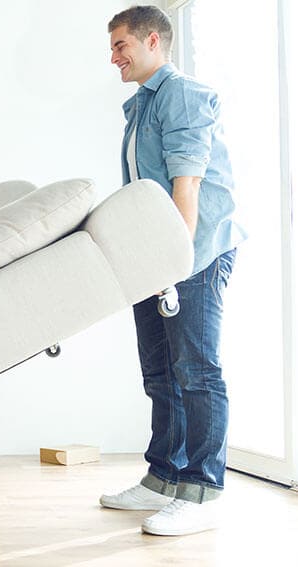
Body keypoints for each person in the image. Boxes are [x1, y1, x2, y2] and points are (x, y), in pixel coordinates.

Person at [101, 6, 246, 536]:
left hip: (194, 252)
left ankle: (202, 490)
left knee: (197, 371)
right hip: (156, 255)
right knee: (159, 372)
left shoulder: (183, 95)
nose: (113, 57)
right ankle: (163, 478)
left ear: (154, 41)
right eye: (112, 48)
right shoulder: (141, 105)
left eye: (122, 46)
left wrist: (174, 263)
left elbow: (187, 185)